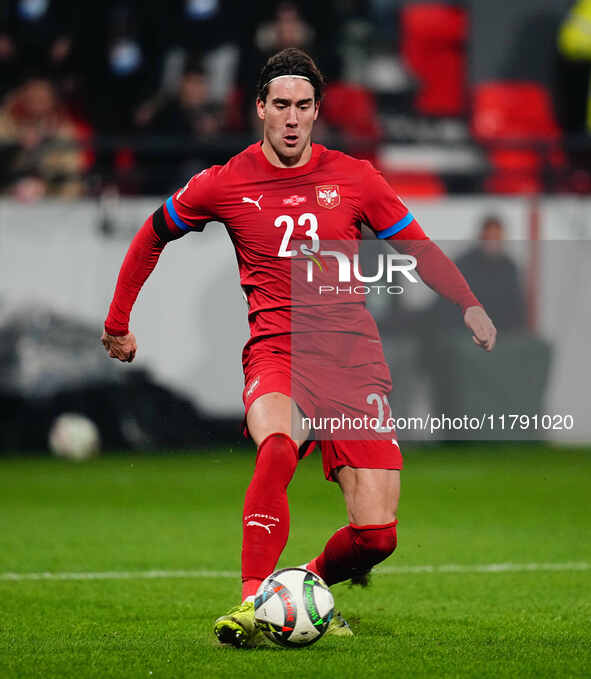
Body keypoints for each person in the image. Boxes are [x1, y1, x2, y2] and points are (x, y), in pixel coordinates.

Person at [101, 48, 496, 648]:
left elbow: (416, 246)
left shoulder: (357, 178)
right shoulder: (226, 181)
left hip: (351, 358)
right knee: (279, 446)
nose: (291, 118)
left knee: (377, 537)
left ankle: (305, 584)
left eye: (303, 107)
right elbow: (154, 232)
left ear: (317, 111)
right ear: (260, 107)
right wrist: (118, 319)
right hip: (277, 350)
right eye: (280, 105)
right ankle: (253, 600)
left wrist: (467, 301)